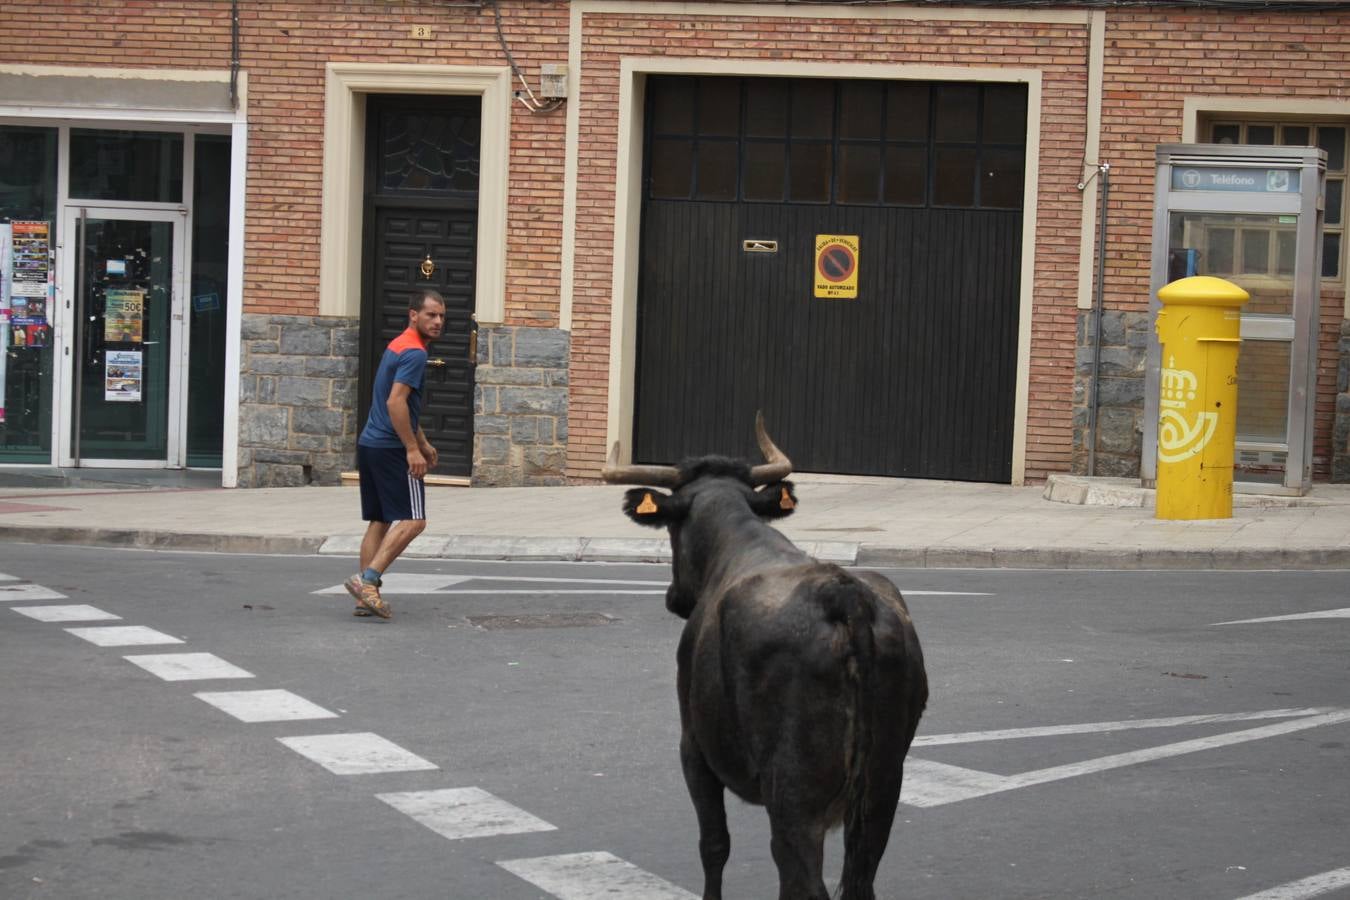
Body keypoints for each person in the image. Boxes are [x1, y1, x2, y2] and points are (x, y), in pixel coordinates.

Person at [344, 288, 445, 620]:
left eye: (442, 316)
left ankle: (364, 599)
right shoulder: (414, 353)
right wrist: (413, 450)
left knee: (381, 520)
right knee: (415, 520)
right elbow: (395, 403)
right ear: (413, 315)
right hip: (390, 448)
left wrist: (424, 442)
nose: (438, 321)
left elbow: (401, 406)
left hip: (371, 444)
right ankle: (367, 580)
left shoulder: (396, 345)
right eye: (431, 314)